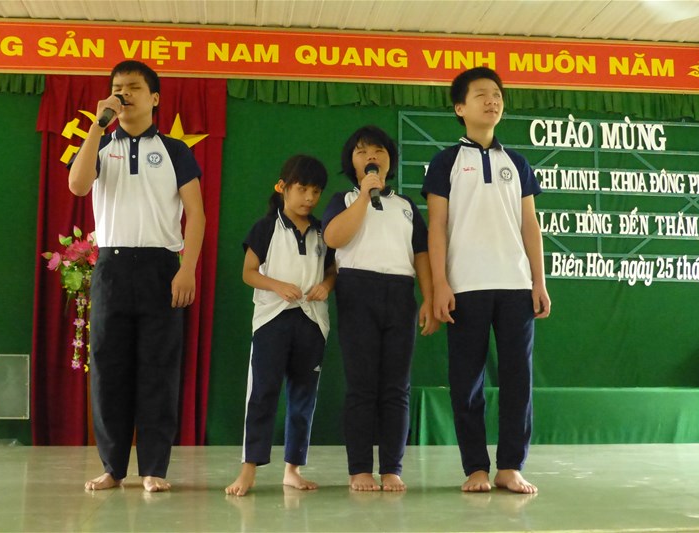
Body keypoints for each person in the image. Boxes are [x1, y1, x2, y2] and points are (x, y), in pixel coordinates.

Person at [69, 60, 205, 492]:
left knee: (158, 369)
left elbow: (197, 214)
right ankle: (112, 467)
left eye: (132, 87)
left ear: (154, 98)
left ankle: (154, 469)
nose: (123, 94)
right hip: (110, 267)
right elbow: (77, 185)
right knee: (108, 369)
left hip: (161, 268)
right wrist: (98, 126)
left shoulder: (175, 150)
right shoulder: (100, 144)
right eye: (117, 88)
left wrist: (187, 268)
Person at [422, 66, 551, 495]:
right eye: (481, 94)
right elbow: (436, 227)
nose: (492, 101)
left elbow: (530, 225)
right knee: (466, 381)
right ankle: (475, 467)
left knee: (518, 380)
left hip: (515, 286)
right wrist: (440, 284)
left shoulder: (517, 163)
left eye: (496, 94)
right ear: (460, 108)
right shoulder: (445, 163)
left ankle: (510, 466)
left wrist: (538, 281)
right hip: (465, 287)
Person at [322, 125, 438, 492]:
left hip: (400, 294)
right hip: (357, 292)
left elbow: (421, 254)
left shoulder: (405, 206)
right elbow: (333, 238)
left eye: (378, 150)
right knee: (361, 386)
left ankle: (392, 468)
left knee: (396, 387)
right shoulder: (343, 199)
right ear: (351, 163)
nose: (371, 156)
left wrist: (429, 297)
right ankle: (359, 469)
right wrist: (363, 196)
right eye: (362, 151)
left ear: (390, 159)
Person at [225, 155, 336, 497]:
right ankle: (248, 470)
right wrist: (276, 285)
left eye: (316, 191)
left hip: (312, 322)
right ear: (282, 187)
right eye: (302, 189)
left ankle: (293, 470)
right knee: (262, 394)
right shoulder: (265, 228)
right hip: (272, 321)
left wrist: (326, 286)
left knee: (303, 397)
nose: (309, 198)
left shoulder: (324, 232)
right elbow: (248, 273)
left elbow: (332, 271)